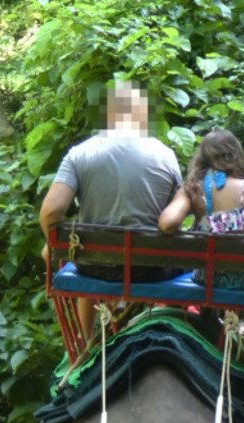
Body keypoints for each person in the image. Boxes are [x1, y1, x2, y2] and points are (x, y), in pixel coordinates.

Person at [39, 81, 183, 338]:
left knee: (85, 253)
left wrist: (52, 244)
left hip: (94, 266)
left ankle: (85, 339)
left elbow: (51, 212)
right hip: (152, 270)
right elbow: (176, 218)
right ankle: (174, 333)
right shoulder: (165, 154)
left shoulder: (80, 154)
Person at [157, 128, 244, 366]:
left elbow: (168, 222)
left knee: (209, 263)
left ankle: (210, 322)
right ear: (235, 156)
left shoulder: (193, 189)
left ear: (202, 158)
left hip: (208, 279)